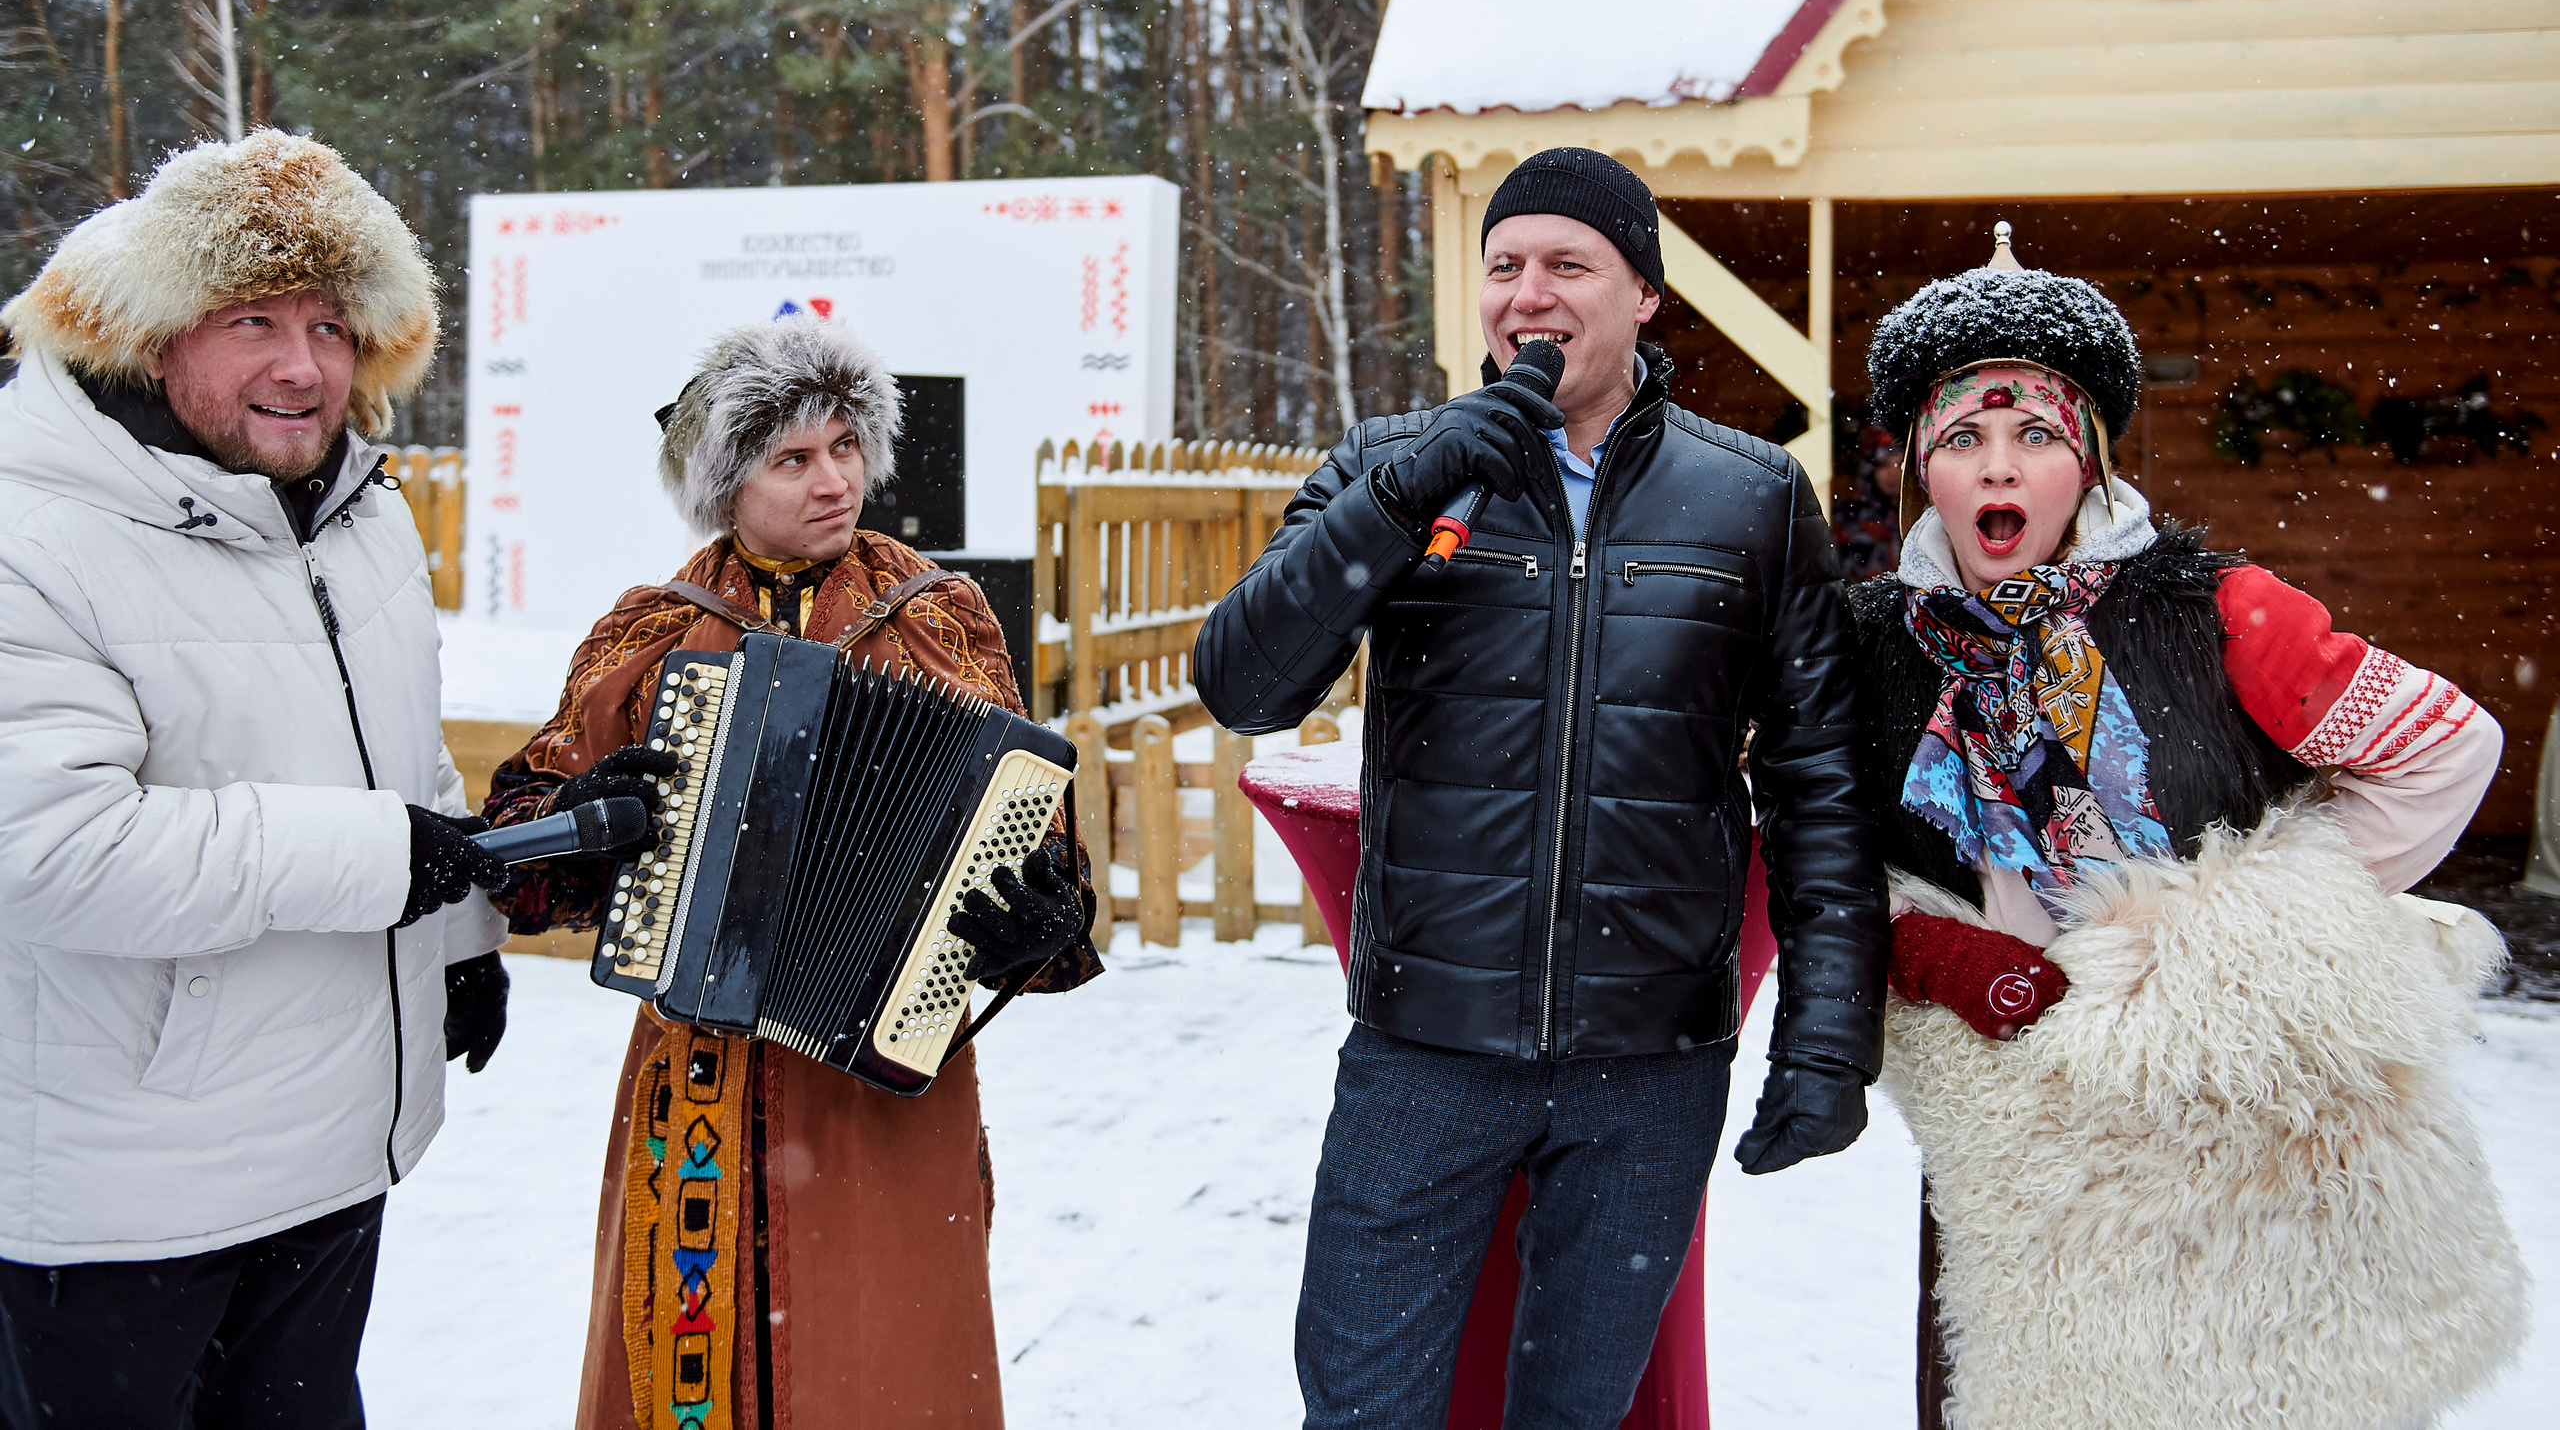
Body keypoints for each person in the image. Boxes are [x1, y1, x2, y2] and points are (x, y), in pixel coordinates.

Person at [1195, 147, 1888, 1429]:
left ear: (1644, 296)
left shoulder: (1749, 497)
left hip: (1650, 1062)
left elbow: (1817, 780)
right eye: (1504, 266)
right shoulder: (1393, 465)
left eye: (1569, 265)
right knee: (1362, 1412)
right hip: (1423, 1050)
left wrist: (1830, 1033)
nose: (1529, 295)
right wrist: (1396, 501)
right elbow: (1243, 683)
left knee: (1577, 1415)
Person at [1847, 246, 2528, 1429]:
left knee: (2247, 1381)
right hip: (2021, 1121)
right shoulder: (1866, 646)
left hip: (2227, 1116)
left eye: (2036, 438)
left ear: (2091, 457)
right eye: (1961, 440)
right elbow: (1812, 844)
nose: (1998, 467)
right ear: (1920, 466)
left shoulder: (2212, 609)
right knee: (2019, 1386)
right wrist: (1922, 952)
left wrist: (2245, 937)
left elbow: (2446, 746)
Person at [484, 315, 1100, 1430]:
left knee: (892, 1357)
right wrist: (586, 823)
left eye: (846, 447)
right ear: (727, 484)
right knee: (692, 1371)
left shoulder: (940, 615)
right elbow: (525, 849)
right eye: (793, 458)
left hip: (889, 1070)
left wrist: (1040, 920)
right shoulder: (653, 630)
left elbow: (1037, 826)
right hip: (698, 1075)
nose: (835, 481)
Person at [0, 130, 511, 1429]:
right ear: (160, 331)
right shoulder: (32, 531)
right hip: (119, 1207)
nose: (303, 364)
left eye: (335, 325)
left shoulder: (358, 510)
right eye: (255, 319)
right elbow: (54, 849)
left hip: (332, 1159)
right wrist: (389, 859)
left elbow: (402, 765)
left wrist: (458, 938)